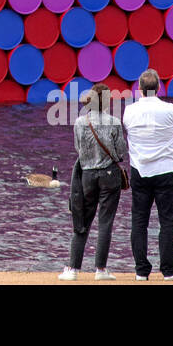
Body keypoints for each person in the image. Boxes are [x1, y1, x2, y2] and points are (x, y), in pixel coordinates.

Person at [121, 68, 173, 281]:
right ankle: (168, 272)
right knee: (167, 220)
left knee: (139, 220)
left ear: (139, 90)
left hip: (140, 169)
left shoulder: (129, 111)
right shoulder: (171, 109)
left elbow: (128, 130)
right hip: (166, 169)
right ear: (159, 88)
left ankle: (141, 271)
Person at [60, 83, 127, 280]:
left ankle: (73, 270)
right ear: (107, 101)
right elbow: (121, 151)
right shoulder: (114, 122)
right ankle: (100, 270)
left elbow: (78, 149)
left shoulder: (80, 122)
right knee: (105, 222)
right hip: (109, 176)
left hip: (87, 176)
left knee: (82, 220)